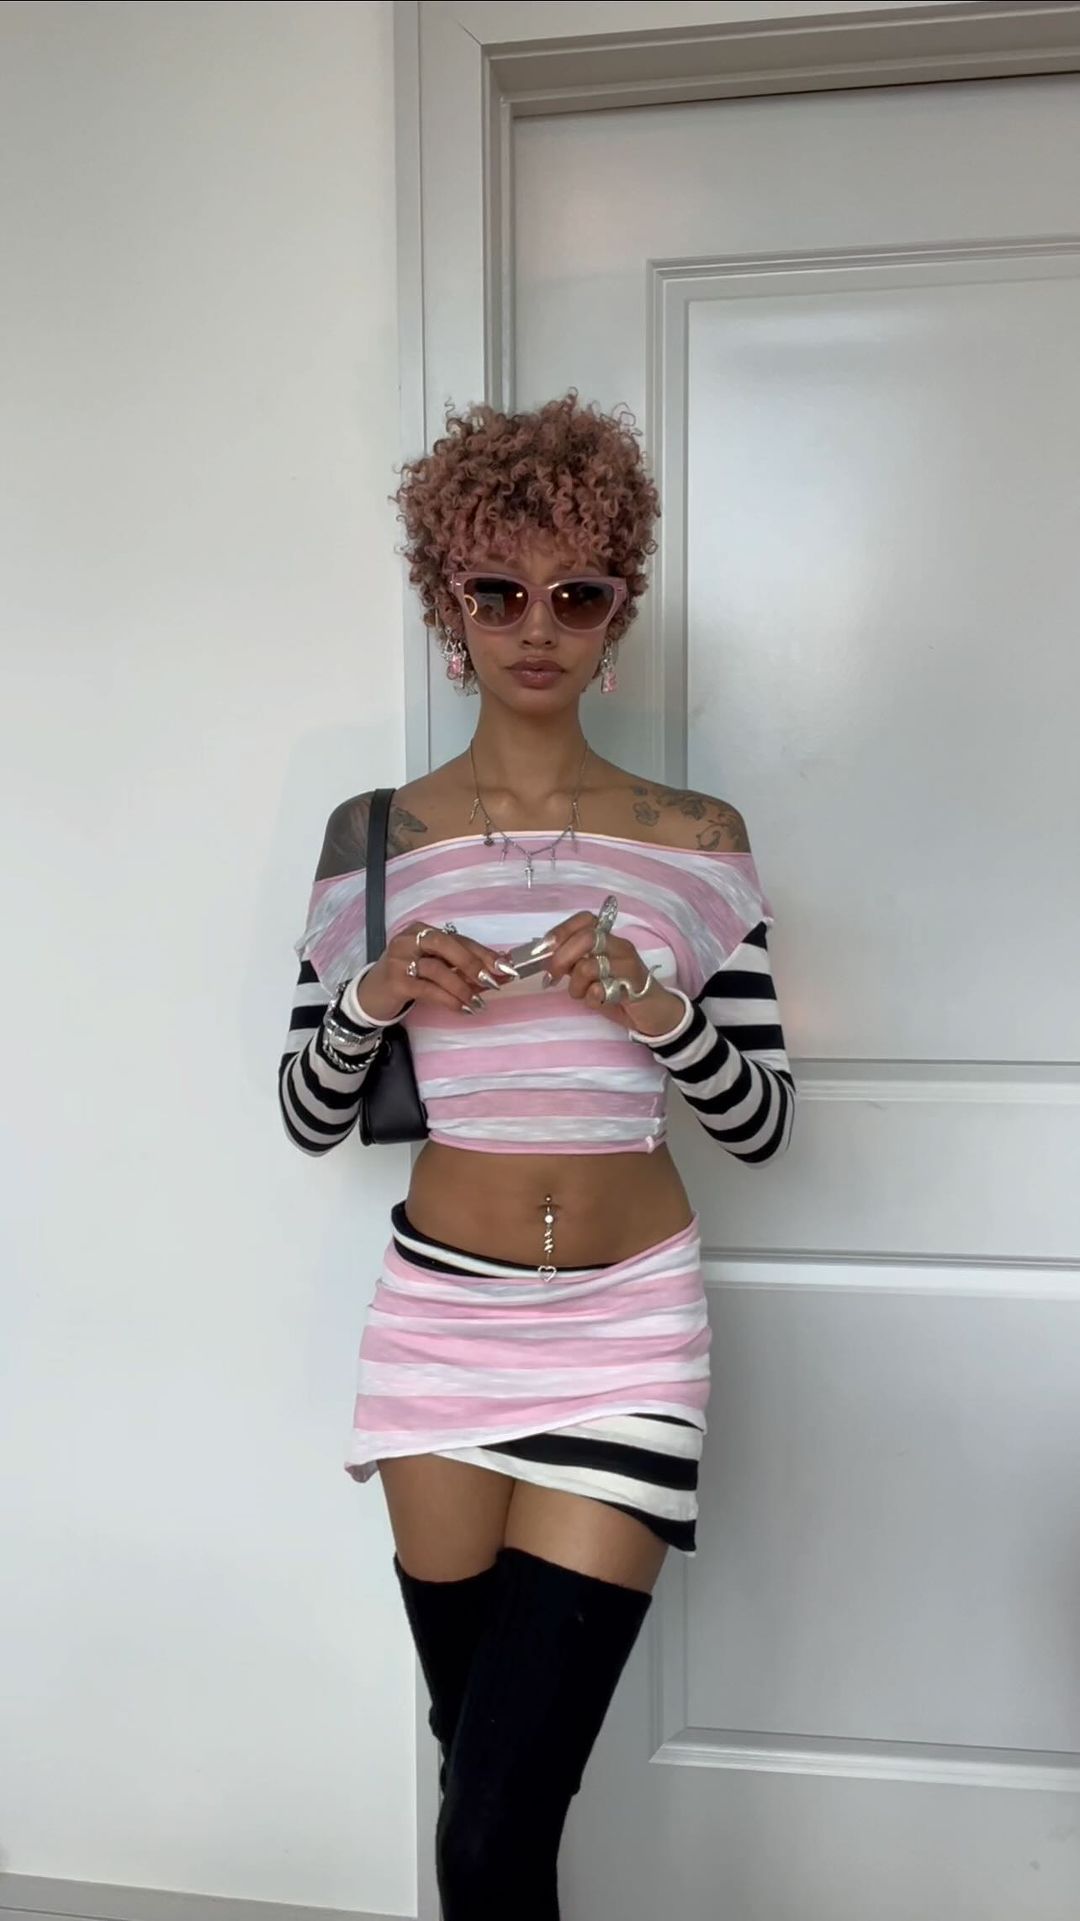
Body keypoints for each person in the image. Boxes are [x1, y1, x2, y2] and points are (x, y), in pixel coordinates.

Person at [278, 393, 795, 1918]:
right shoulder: (374, 839)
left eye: (577, 592)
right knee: (486, 1796)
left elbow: (763, 1120)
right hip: (439, 1331)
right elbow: (307, 1112)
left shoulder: (696, 836)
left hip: (630, 1333)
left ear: (617, 609)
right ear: (450, 602)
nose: (536, 625)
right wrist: (376, 992)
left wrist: (658, 1009)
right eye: (498, 590)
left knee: (494, 1823)